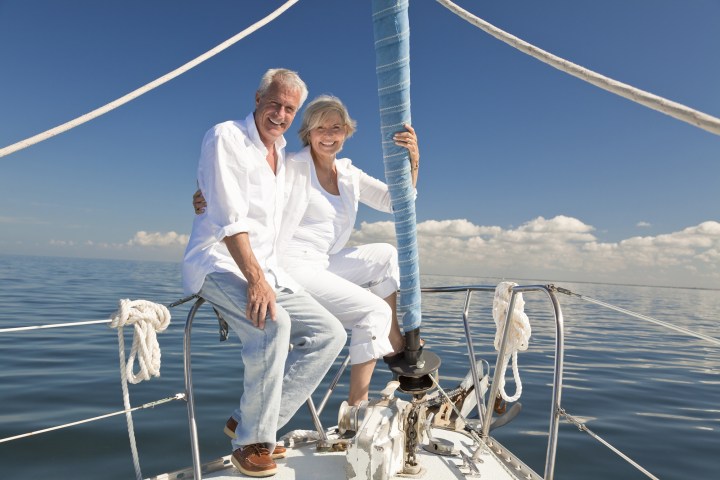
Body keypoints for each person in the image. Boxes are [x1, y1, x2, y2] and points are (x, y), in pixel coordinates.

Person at [194, 95, 420, 407]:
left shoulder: (349, 173)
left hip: (322, 262)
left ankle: (392, 336)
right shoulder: (291, 165)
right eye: (320, 128)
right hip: (291, 264)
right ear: (309, 133)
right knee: (373, 311)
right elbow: (240, 181)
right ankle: (357, 407)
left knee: (385, 254)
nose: (328, 135)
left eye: (336, 128)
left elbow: (396, 202)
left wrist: (414, 161)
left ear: (346, 132)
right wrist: (205, 193)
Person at [183, 69, 347, 478]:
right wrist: (255, 279)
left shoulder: (287, 157)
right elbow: (228, 218)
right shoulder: (226, 137)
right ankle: (250, 443)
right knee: (274, 325)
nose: (280, 113)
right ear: (257, 99)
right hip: (217, 262)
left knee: (331, 335)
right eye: (274, 103)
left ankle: (250, 418)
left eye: (289, 108)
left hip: (269, 270)